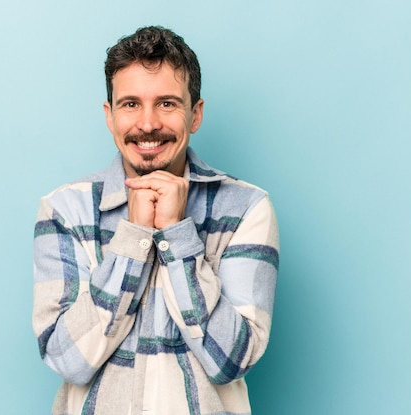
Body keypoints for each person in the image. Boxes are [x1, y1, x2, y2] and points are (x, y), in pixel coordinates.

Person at [32, 25, 279, 415]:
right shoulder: (65, 210)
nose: (147, 124)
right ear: (109, 115)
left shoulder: (246, 208)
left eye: (167, 103)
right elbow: (67, 360)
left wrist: (176, 235)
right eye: (130, 104)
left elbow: (231, 360)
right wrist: (133, 238)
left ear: (195, 114)